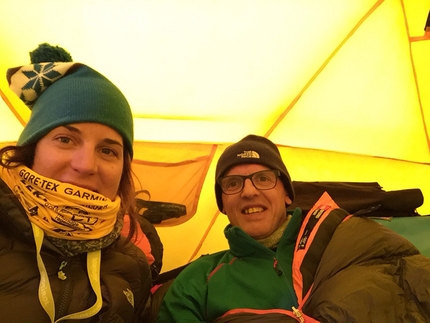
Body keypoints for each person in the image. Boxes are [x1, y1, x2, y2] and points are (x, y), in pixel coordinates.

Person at [156, 134, 430, 322]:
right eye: (232, 183)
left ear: (287, 194)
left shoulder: (340, 242)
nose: (249, 191)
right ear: (222, 205)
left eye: (263, 178)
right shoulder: (196, 281)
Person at [0, 44, 152, 322]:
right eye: (66, 140)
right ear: (32, 149)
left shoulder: (133, 266)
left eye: (108, 151)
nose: (85, 165)